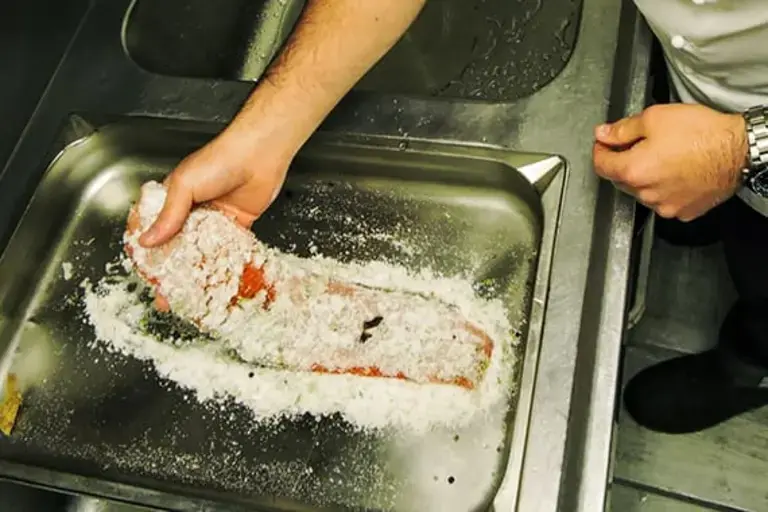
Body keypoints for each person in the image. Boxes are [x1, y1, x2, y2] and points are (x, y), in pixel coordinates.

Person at [138, 1, 768, 434]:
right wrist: (264, 135)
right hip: (696, 80)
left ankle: (747, 368)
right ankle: (701, 219)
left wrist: (742, 153)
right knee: (690, 215)